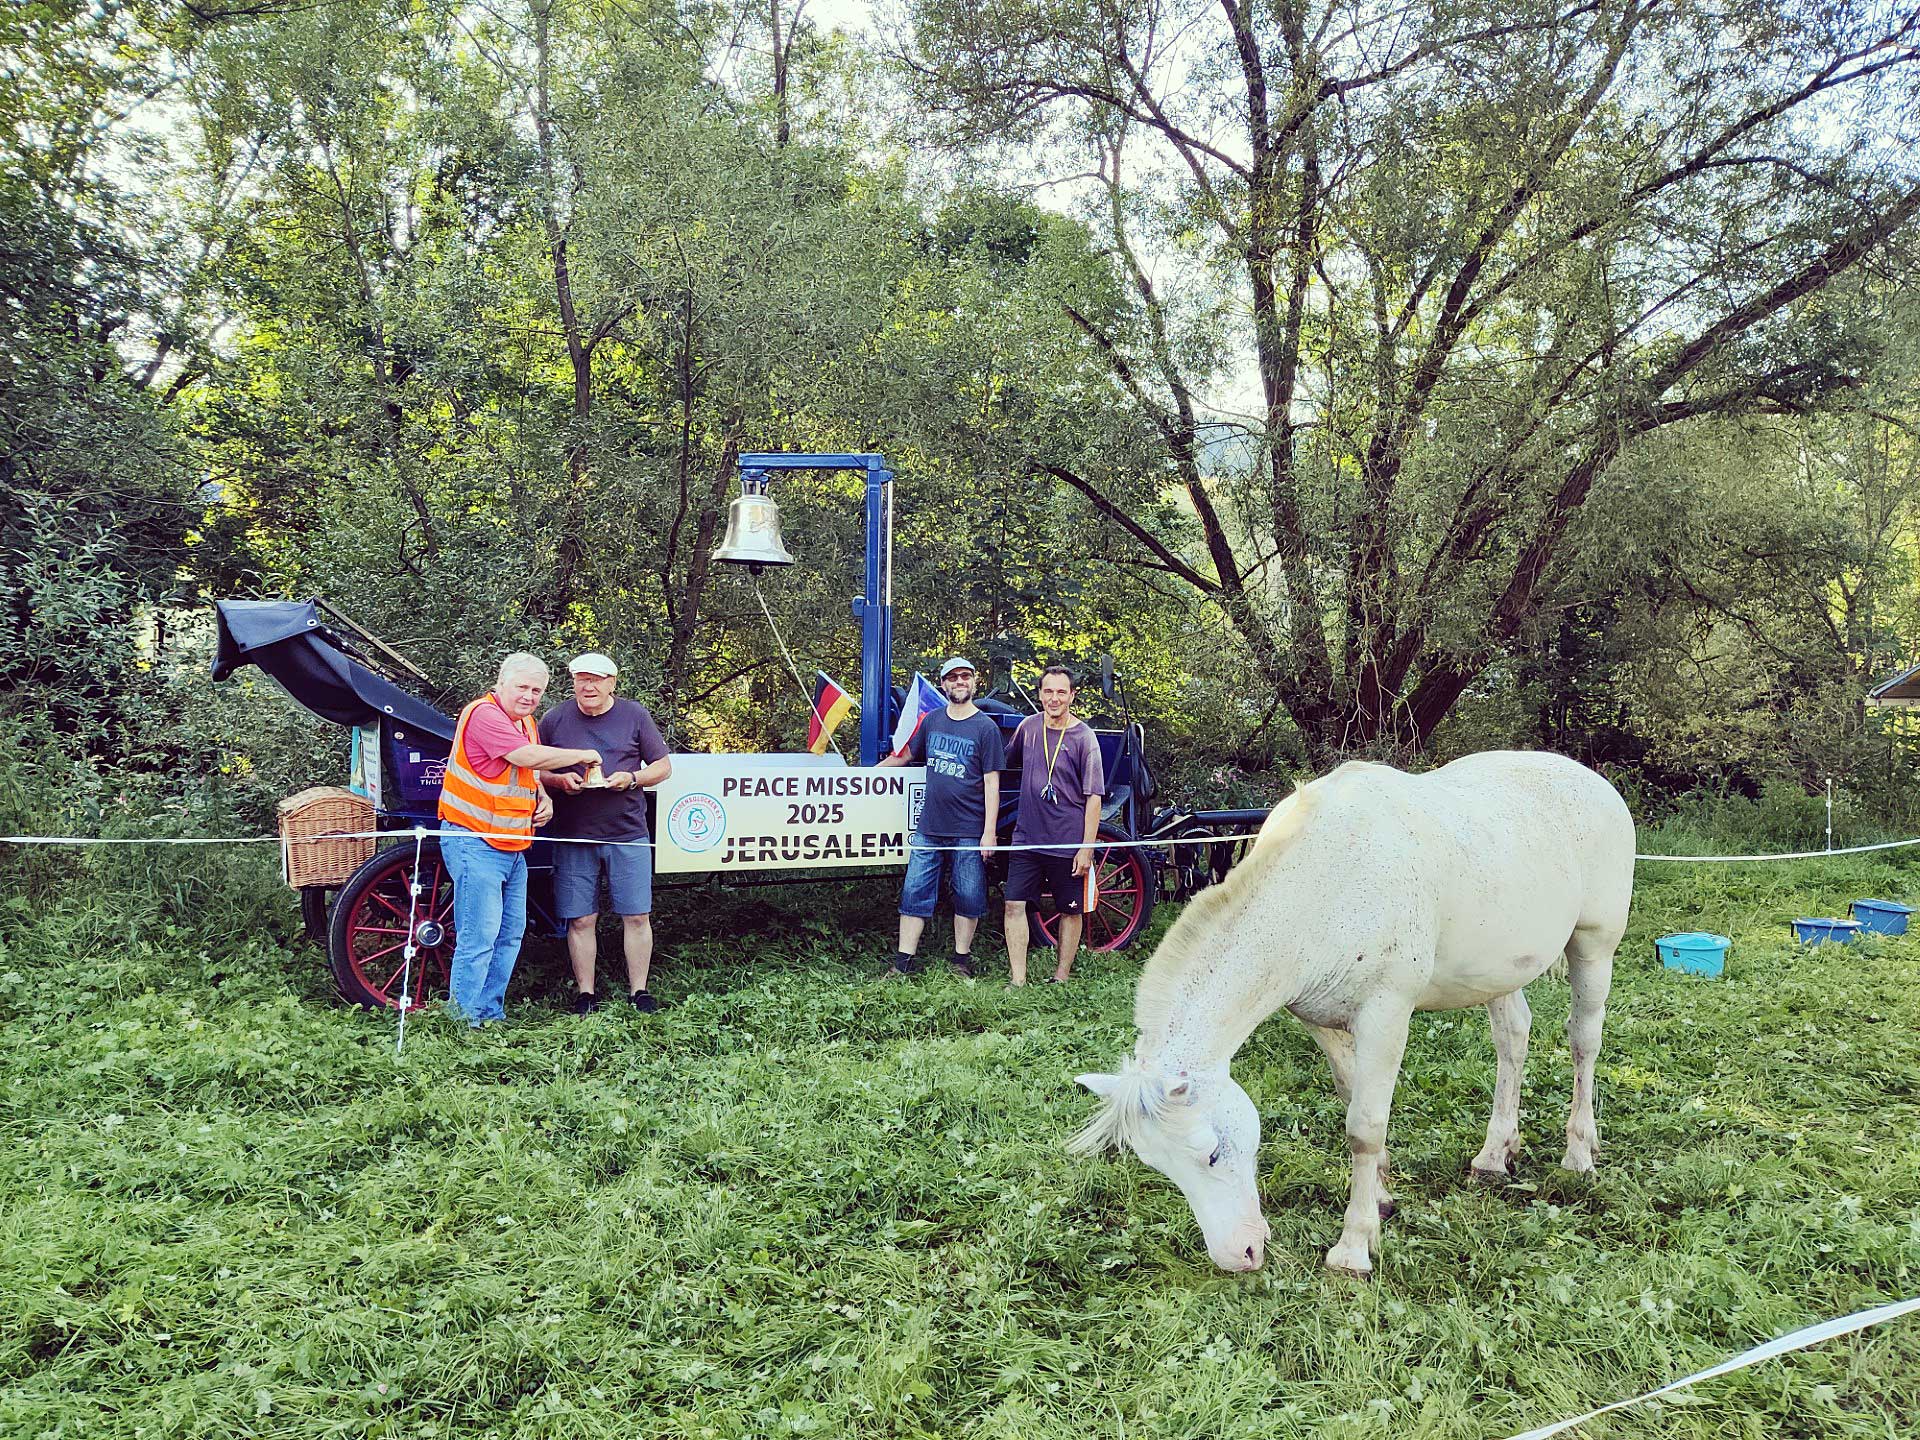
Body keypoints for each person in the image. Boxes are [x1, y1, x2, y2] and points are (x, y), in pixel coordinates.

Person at [439, 653, 602, 1026]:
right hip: (474, 840)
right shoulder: (483, 714)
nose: (529, 696)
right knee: (479, 937)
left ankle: (489, 1014)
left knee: (510, 934)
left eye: (537, 690)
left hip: (513, 845)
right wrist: (581, 756)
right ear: (501, 684)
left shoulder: (525, 721)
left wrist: (544, 796)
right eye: (522, 687)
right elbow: (524, 755)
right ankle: (461, 1023)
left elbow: (526, 771)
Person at [539, 652, 674, 1014]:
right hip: (573, 834)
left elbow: (663, 767)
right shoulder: (554, 719)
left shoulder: (634, 715)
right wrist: (558, 780)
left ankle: (639, 992)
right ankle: (586, 993)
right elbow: (533, 769)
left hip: (627, 831)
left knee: (636, 915)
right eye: (582, 679)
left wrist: (631, 778)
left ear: (612, 683)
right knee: (581, 918)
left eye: (596, 679)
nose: (588, 686)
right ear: (573, 682)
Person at [879, 656, 1004, 977]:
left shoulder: (986, 728)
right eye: (953, 677)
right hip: (929, 828)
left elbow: (992, 783)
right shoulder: (931, 720)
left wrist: (989, 832)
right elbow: (904, 756)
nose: (959, 682)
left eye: (965, 676)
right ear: (944, 684)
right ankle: (903, 963)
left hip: (969, 830)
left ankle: (961, 961)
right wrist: (864, 778)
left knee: (969, 895)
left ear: (974, 681)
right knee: (914, 892)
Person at [1002, 664, 1104, 985]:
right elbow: (1003, 762)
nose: (1054, 698)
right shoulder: (1028, 728)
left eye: (1061, 692)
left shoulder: (1085, 738)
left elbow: (1094, 798)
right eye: (1048, 691)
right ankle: (1018, 980)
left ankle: (1061, 976)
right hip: (1027, 838)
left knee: (1070, 910)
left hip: (1066, 841)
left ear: (1072, 695)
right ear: (1040, 694)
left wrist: (1086, 849)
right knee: (1013, 904)